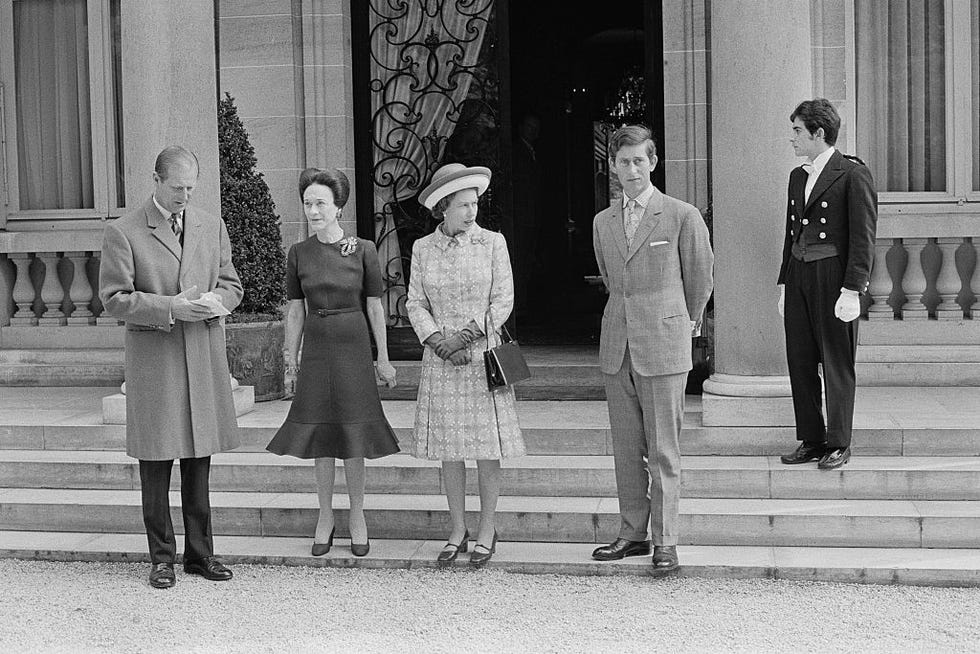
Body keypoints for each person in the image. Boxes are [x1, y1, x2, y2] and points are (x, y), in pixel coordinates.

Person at [99, 145, 243, 589]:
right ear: (157, 180)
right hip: (156, 359)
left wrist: (217, 303)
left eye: (191, 188)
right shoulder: (124, 231)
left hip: (200, 353)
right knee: (156, 462)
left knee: (200, 460)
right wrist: (170, 307)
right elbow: (113, 299)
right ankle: (161, 557)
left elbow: (232, 282)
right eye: (178, 187)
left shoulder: (210, 224)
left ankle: (201, 554)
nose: (185, 195)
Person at [591, 125, 713, 575]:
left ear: (653, 162)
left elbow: (700, 278)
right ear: (613, 166)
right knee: (626, 448)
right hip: (616, 346)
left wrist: (685, 324)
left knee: (663, 449)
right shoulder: (603, 221)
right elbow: (610, 277)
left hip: (663, 345)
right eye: (623, 162)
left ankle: (666, 542)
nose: (631, 169)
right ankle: (632, 533)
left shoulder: (681, 215)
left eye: (639, 160)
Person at [266, 167, 399, 557]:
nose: (313, 210)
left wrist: (384, 359)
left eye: (320, 203)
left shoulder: (363, 250)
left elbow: (375, 307)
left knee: (354, 433)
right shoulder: (299, 253)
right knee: (322, 435)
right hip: (317, 348)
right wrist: (290, 359)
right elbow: (294, 311)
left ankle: (357, 514)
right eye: (308, 204)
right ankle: (325, 514)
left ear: (339, 207)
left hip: (353, 344)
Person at [406, 162, 525, 567]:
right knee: (450, 450)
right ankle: (457, 528)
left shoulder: (493, 243)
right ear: (443, 207)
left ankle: (487, 528)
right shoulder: (423, 248)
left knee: (487, 449)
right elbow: (414, 302)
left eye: (474, 203)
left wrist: (467, 337)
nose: (471, 211)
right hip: (443, 360)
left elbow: (503, 300)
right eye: (462, 205)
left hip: (481, 357)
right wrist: (440, 342)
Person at [777, 99, 877, 470]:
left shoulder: (851, 173)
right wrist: (785, 281)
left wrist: (854, 289)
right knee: (800, 360)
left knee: (836, 361)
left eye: (798, 131)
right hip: (800, 274)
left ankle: (839, 442)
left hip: (833, 277)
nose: (793, 138)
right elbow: (790, 234)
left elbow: (863, 236)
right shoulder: (797, 176)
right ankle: (812, 439)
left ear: (819, 133)